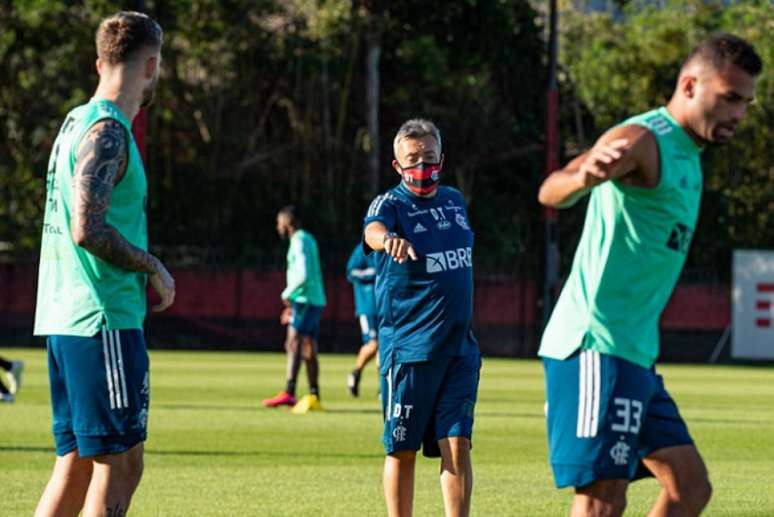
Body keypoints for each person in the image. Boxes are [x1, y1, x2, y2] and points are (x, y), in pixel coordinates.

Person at [537, 33, 761, 517]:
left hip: (636, 354)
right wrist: (581, 178)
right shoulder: (642, 138)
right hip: (595, 345)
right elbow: (551, 190)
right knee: (602, 498)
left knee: (689, 489)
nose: (739, 114)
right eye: (729, 99)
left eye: (746, 102)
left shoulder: (691, 156)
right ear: (688, 85)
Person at [32, 11, 175, 517]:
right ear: (152, 65)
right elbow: (87, 230)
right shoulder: (109, 131)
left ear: (99, 62)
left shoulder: (75, 120)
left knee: (74, 462)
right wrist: (151, 266)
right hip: (102, 319)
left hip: (64, 317)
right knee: (120, 464)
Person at [364, 119, 481, 517]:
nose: (421, 167)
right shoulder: (390, 204)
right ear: (397, 166)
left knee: (457, 442)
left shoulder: (453, 201)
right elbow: (372, 231)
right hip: (411, 351)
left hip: (460, 349)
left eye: (428, 158)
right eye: (412, 160)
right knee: (402, 449)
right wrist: (388, 240)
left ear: (441, 160)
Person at [263, 206, 327, 414]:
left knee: (294, 342)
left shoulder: (299, 241)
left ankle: (289, 392)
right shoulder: (309, 238)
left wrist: (287, 294)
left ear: (287, 222)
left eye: (279, 222)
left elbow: (305, 273)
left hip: (304, 299)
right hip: (314, 298)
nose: (277, 227)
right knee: (309, 347)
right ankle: (313, 394)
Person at [345, 243, 379, 397]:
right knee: (373, 344)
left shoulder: (390, 247)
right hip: (368, 306)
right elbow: (351, 272)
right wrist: (372, 273)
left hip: (386, 306)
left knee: (385, 346)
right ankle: (356, 373)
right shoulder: (362, 249)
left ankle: (384, 385)